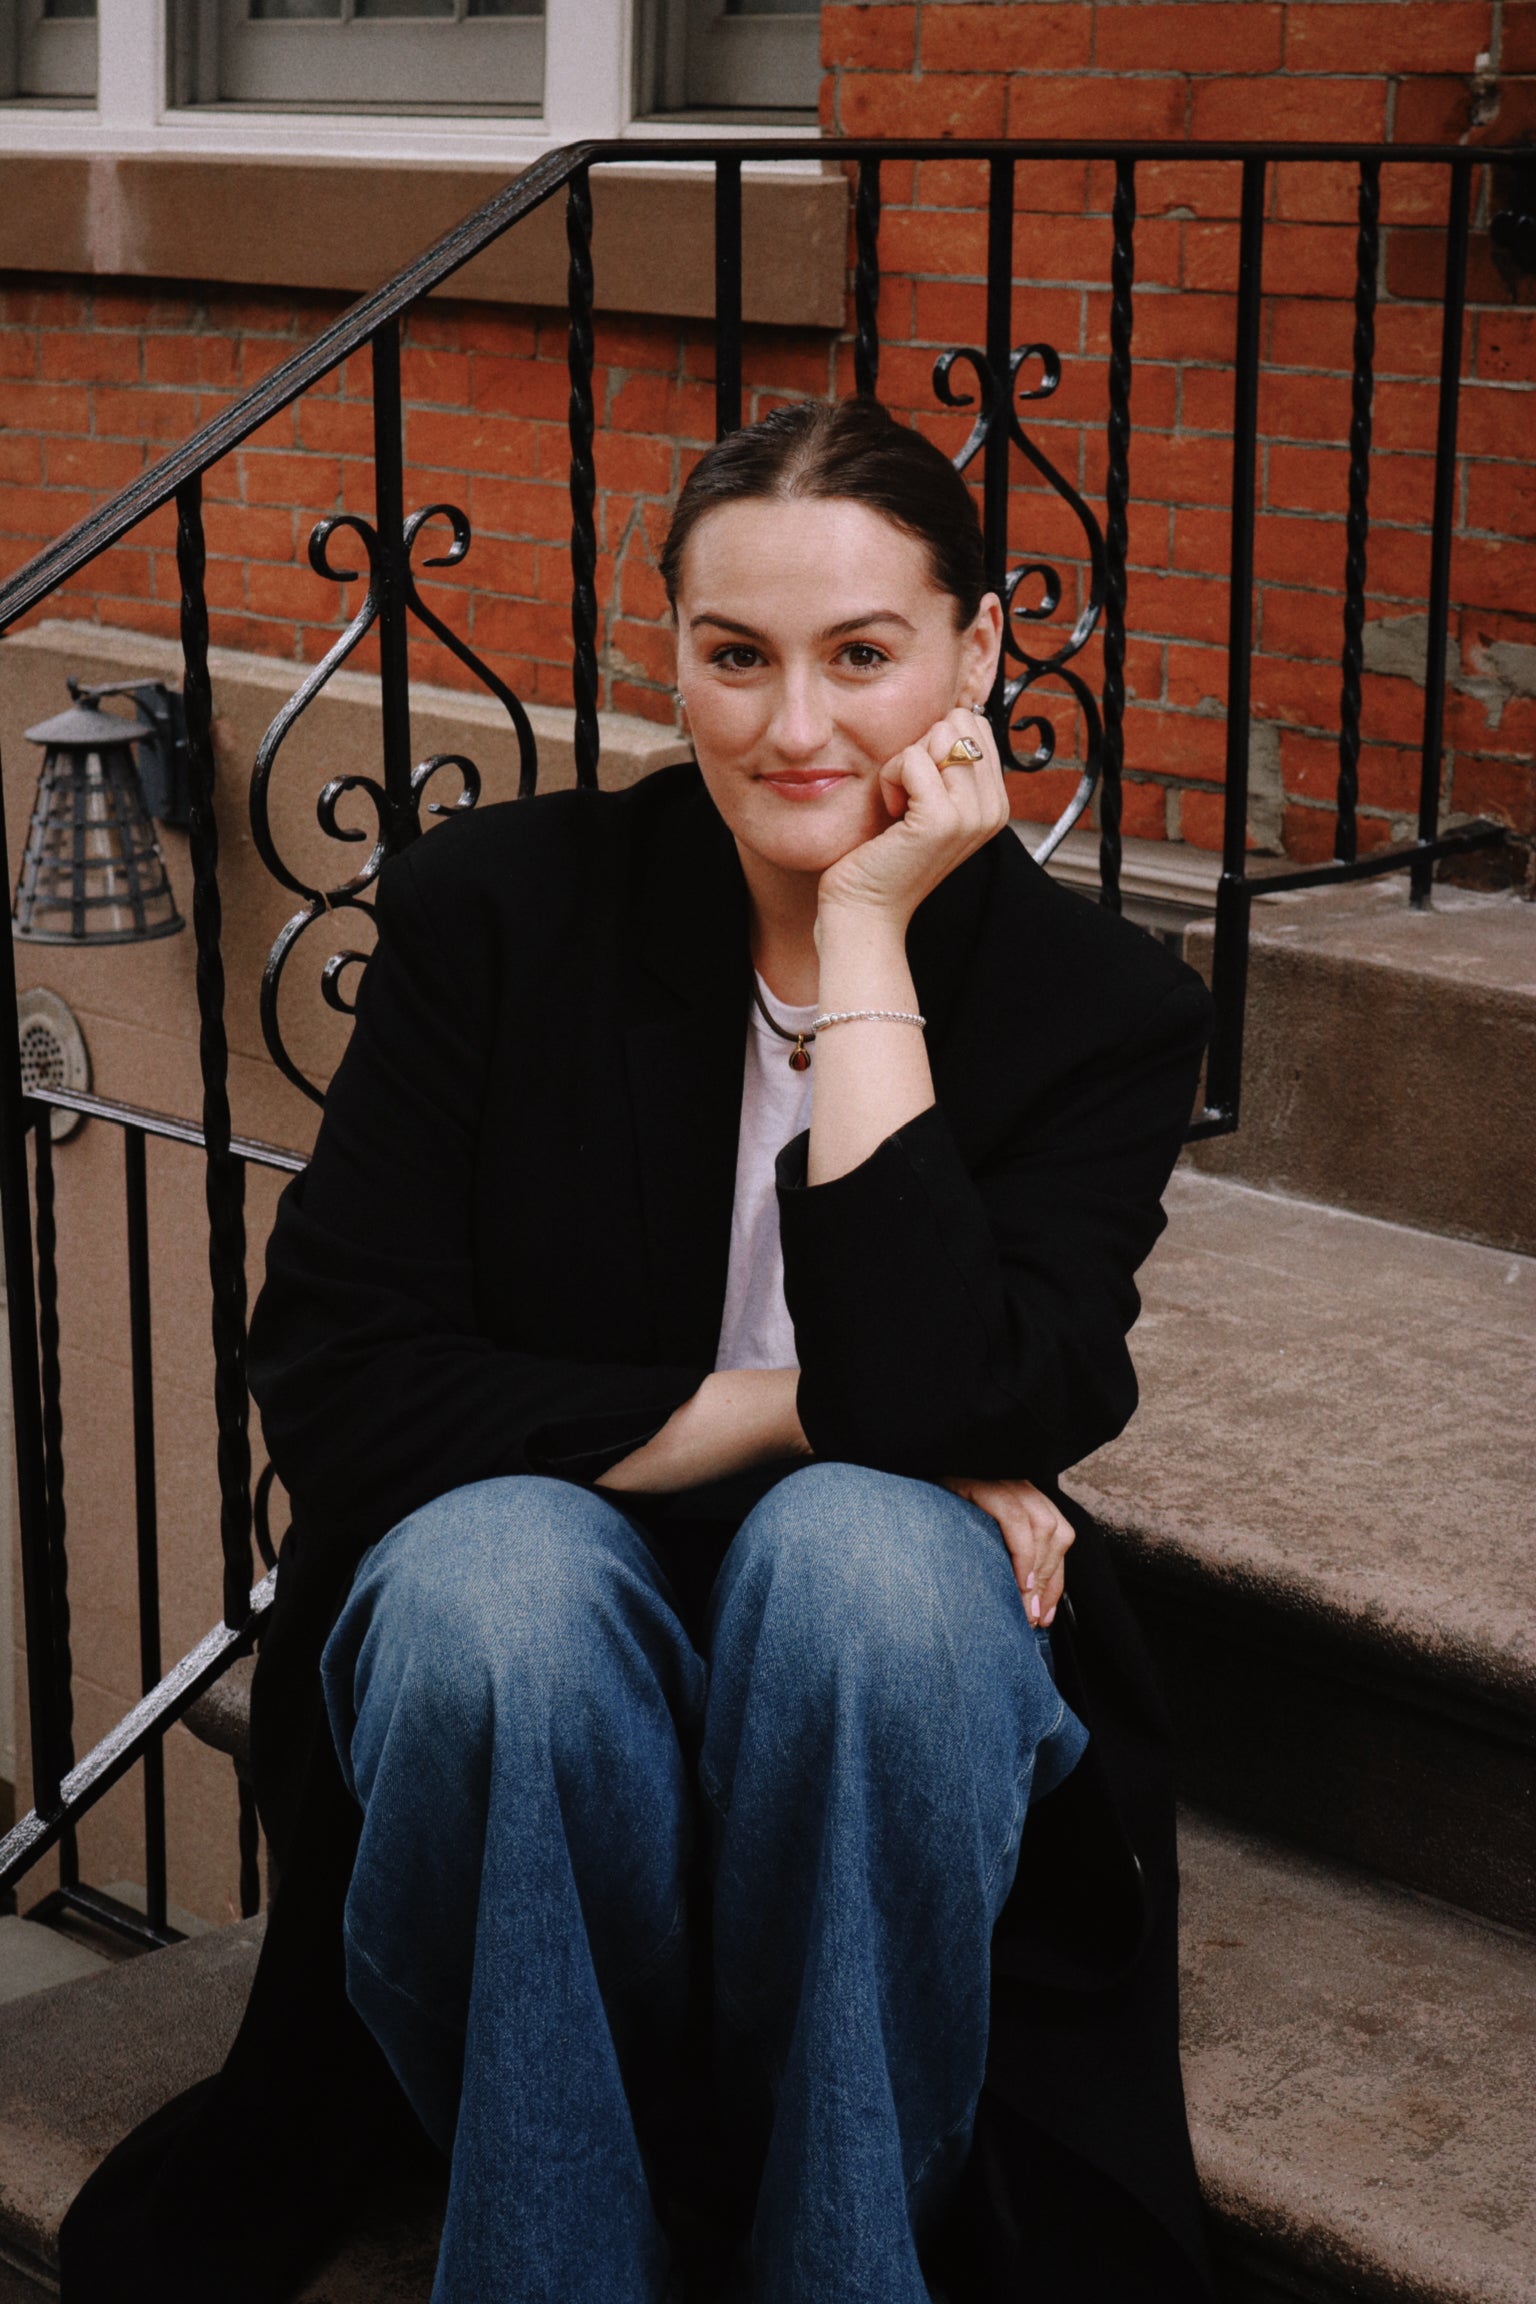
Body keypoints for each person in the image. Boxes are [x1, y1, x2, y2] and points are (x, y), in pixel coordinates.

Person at [60, 398, 1215, 2304]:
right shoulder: (499, 914)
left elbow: (944, 1407)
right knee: (500, 1580)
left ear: (979, 651)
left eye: (864, 656)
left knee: (862, 1562)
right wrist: (782, 1411)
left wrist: (863, 938)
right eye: (733, 656)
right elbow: (346, 1381)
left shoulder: (1092, 1007)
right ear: (666, 652)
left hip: (874, 1677)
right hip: (525, 1643)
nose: (793, 729)